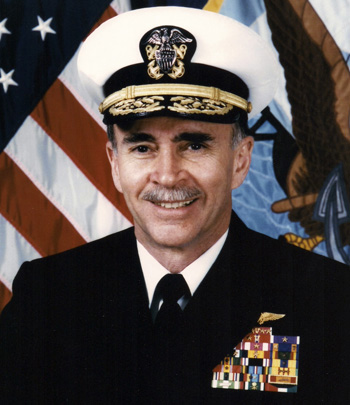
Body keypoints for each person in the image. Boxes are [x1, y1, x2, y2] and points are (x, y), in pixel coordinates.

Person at [0, 6, 349, 404]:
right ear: (115, 163)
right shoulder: (48, 297)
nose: (167, 175)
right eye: (142, 147)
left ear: (240, 160)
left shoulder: (327, 302)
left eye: (195, 144)